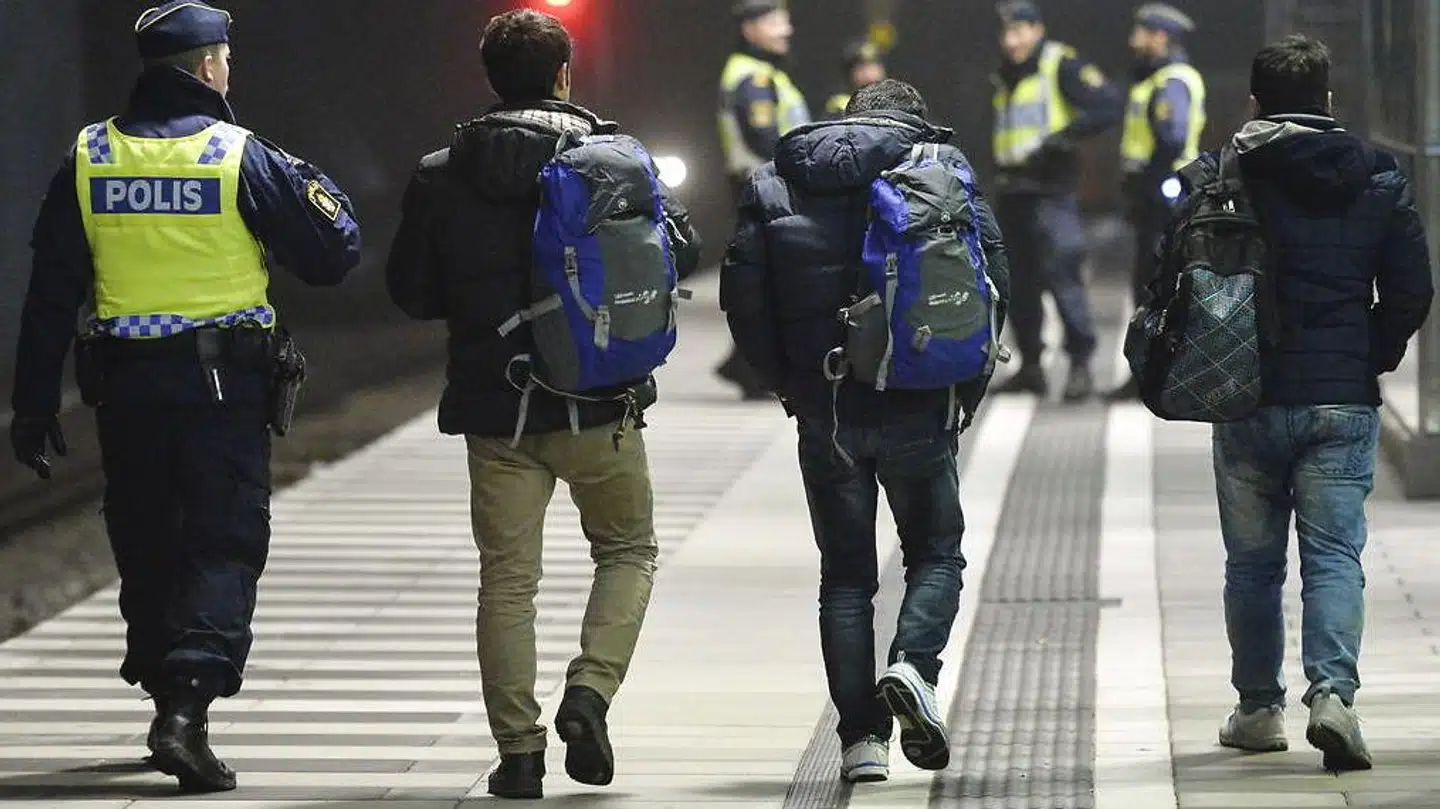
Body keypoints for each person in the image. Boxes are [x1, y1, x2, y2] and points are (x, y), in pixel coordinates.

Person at [6, 0, 361, 793]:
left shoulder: (91, 155)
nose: (230, 69)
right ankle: (186, 712)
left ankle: (166, 694)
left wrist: (34, 402)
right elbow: (333, 253)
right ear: (205, 67)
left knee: (147, 535)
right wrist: (308, 181)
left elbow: (49, 290)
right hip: (220, 389)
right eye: (225, 57)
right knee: (220, 537)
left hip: (125, 391)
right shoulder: (237, 155)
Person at [384, 9, 702, 801]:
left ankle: (519, 756)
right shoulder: (612, 158)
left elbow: (410, 290)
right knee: (628, 551)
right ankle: (589, 693)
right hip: (601, 402)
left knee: (507, 583)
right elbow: (683, 251)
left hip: (499, 412)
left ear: (490, 78)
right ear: (566, 74)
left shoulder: (441, 170)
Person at [721, 78, 1010, 783]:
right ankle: (913, 663)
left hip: (827, 408)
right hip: (919, 400)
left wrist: (786, 384)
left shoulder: (778, 178)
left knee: (846, 578)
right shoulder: (944, 171)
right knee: (936, 552)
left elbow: (742, 298)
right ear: (913, 119)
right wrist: (964, 392)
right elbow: (990, 287)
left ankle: (861, 742)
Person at [1169, 35, 1431, 772]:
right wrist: (1368, 351)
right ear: (1328, 101)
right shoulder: (1377, 173)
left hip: (1245, 392)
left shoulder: (1225, 173)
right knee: (1334, 555)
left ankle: (1258, 710)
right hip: (1340, 396)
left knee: (1252, 565)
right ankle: (1334, 696)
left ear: (1253, 103)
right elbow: (1413, 287)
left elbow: (1174, 281)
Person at [989, 0, 1123, 401]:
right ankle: (1032, 367)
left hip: (1051, 191)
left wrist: (1066, 136)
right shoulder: (1004, 73)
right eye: (1006, 33)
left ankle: (1080, 365)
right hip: (1014, 190)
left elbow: (1107, 105)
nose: (1011, 41)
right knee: (1018, 283)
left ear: (1036, 30)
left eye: (1019, 32)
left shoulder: (1060, 64)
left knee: (1064, 276)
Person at [1107, 3, 1206, 400]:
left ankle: (1155, 375)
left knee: (1156, 288)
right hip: (1155, 198)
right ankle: (1151, 372)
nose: (1134, 40)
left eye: (1141, 32)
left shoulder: (1172, 81)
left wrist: (1149, 179)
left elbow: (1171, 139)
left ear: (1160, 37)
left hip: (1164, 199)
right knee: (1153, 286)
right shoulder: (1156, 79)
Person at [716, 0, 812, 400]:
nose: (786, 29)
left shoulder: (762, 71)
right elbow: (765, 139)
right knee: (772, 280)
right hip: (766, 185)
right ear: (750, 28)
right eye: (776, 21)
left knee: (766, 279)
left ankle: (746, 366)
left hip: (761, 184)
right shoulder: (753, 76)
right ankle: (751, 368)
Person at [824, 39, 887, 119]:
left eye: (874, 66)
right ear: (849, 74)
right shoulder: (840, 106)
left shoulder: (891, 103)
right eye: (862, 68)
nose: (870, 74)